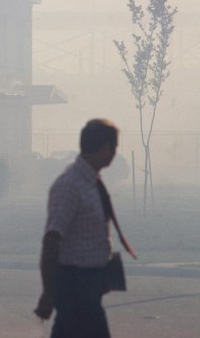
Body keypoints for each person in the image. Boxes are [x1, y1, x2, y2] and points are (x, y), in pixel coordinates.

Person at [34, 118, 137, 338]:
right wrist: (48, 293)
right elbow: (51, 240)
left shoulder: (90, 182)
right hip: (75, 286)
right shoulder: (71, 185)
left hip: (89, 285)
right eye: (114, 147)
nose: (114, 153)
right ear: (105, 147)